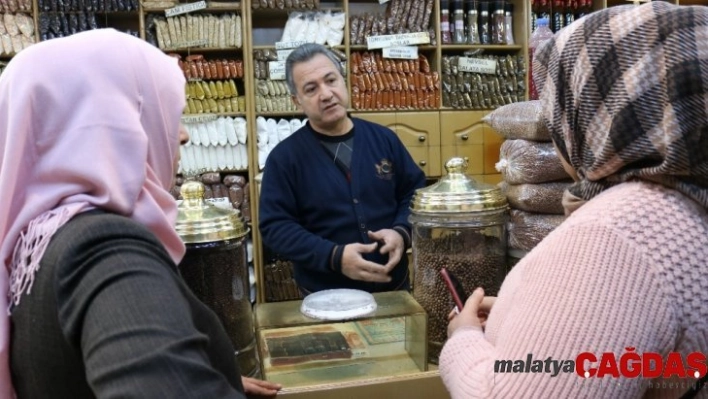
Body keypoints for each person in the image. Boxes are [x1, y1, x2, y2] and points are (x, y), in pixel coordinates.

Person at [441, 2, 708, 398]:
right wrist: (536, 317)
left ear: (589, 107)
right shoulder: (689, 199)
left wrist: (462, 340)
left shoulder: (616, 233)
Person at [0, 29, 280, 398]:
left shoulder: (33, 240)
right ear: (113, 123)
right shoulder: (105, 248)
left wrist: (197, 371)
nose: (181, 135)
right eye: (166, 115)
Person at [258, 43, 427, 295]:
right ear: (297, 101)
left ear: (343, 81)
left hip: (394, 289)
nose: (326, 94)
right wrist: (334, 256)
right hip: (325, 295)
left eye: (331, 80)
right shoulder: (284, 158)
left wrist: (401, 233)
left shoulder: (383, 139)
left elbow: (414, 193)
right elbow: (276, 226)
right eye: (311, 89)